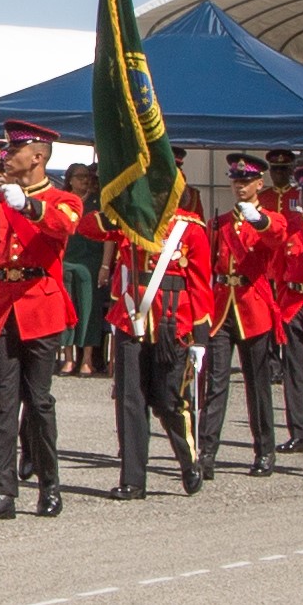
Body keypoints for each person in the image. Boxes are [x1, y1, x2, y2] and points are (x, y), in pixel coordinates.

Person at [0, 121, 81, 517]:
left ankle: (49, 483)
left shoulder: (62, 198)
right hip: (3, 302)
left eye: (15, 150)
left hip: (39, 301)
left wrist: (29, 206)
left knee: (38, 401)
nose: (6, 156)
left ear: (37, 157)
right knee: (2, 401)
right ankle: (3, 490)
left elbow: (62, 227)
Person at [93, 157, 208, 498]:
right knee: (130, 400)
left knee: (170, 402)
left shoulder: (191, 230)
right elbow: (89, 228)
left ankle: (189, 461)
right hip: (131, 319)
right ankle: (132, 479)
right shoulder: (132, 225)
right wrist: (117, 204)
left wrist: (200, 338)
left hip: (173, 324)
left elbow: (201, 285)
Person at [200, 154, 295, 476]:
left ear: (259, 184)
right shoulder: (219, 223)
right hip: (222, 305)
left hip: (253, 306)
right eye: (236, 181)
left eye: (246, 181)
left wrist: (258, 220)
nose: (240, 186)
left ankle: (264, 451)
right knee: (215, 384)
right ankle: (207, 452)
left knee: (258, 385)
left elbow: (276, 236)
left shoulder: (271, 218)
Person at [61, 163, 109, 378]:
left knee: (90, 311)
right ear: (70, 179)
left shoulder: (98, 203)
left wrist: (105, 266)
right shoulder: (61, 201)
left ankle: (87, 359)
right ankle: (69, 358)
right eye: (80, 176)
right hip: (65, 261)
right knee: (66, 311)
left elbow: (109, 237)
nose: (85, 180)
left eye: (87, 176)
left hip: (91, 262)